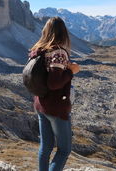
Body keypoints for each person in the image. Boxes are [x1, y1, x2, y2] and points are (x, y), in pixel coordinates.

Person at [29, 16, 80, 171]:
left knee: (46, 147)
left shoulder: (38, 51)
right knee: (64, 149)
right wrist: (71, 71)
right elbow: (54, 83)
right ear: (62, 32)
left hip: (40, 104)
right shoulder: (58, 52)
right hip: (56, 107)